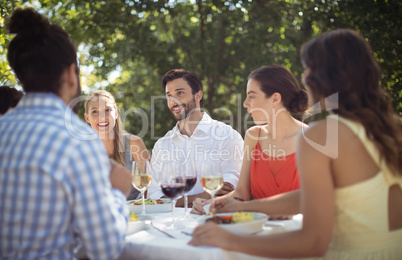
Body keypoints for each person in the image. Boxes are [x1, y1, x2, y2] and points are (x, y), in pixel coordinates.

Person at [189, 29, 402, 258]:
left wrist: (229, 240)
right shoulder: (393, 127)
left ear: (318, 77)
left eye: (306, 70)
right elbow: (313, 197)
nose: (303, 78)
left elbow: (313, 242)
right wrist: (241, 206)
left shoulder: (320, 135)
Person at [0, 8, 132, 260]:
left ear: (21, 75)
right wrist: (117, 191)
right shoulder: (79, 142)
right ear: (71, 74)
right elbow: (104, 250)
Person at [192, 65, 308, 214]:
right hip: (258, 228)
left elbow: (312, 201)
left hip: (300, 231)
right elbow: (241, 194)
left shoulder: (310, 138)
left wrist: (244, 208)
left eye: (251, 96)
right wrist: (210, 203)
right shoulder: (253, 136)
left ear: (275, 98)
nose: (245, 103)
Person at [148, 69, 244, 207]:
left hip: (213, 219)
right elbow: (154, 194)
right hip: (171, 224)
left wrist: (176, 202)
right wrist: (198, 198)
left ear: (198, 95)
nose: (173, 101)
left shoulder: (227, 135)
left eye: (180, 93)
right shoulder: (162, 145)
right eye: (169, 96)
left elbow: (231, 186)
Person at [84, 90, 150, 200]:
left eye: (107, 110)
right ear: (87, 118)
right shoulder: (83, 150)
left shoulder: (134, 143)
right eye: (95, 111)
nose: (102, 116)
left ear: (116, 113)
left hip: (135, 213)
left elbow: (149, 189)